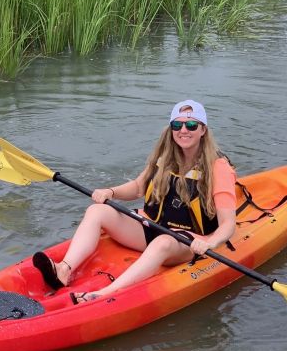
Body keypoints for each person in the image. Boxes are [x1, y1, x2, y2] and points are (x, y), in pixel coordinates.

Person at [32, 100, 236, 303]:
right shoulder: (165, 158)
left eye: (191, 125)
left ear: (203, 130)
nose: (184, 130)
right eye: (177, 125)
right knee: (97, 211)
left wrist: (210, 243)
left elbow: (228, 224)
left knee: (163, 242)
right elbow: (139, 187)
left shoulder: (218, 167)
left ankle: (107, 293)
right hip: (153, 227)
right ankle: (64, 269)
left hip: (187, 240)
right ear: (171, 128)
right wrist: (111, 192)